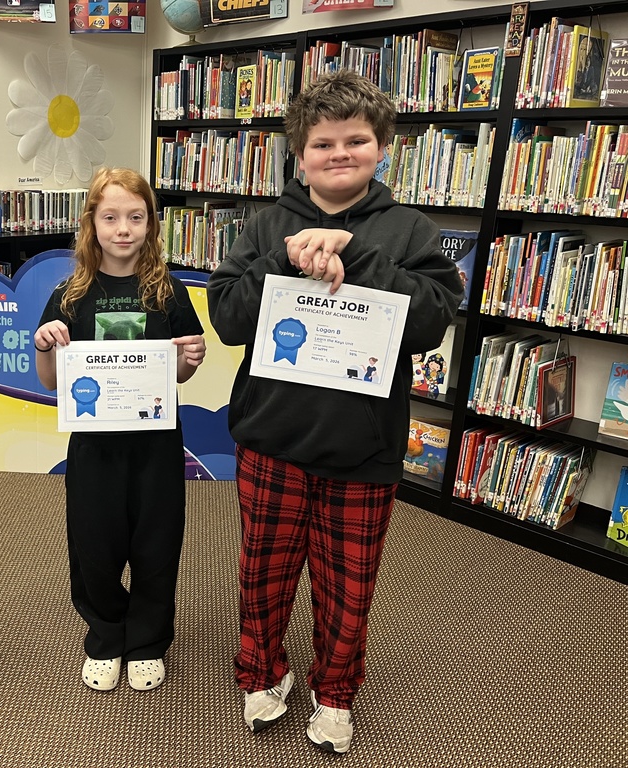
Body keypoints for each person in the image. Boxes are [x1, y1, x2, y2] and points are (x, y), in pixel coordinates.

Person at [206, 70, 463, 753]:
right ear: (300, 153)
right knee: (262, 573)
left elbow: (431, 321)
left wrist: (363, 257)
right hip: (272, 439)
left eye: (357, 140)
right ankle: (262, 674)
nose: (340, 153)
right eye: (323, 143)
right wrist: (281, 264)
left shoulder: (409, 229)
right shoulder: (267, 223)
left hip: (363, 449)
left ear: (382, 147)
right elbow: (226, 318)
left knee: (349, 588)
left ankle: (336, 693)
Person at [34, 167, 207, 693]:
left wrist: (191, 358)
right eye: (110, 218)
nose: (123, 229)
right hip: (94, 445)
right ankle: (107, 633)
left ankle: (148, 640)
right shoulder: (70, 294)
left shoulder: (168, 291)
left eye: (136, 217)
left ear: (151, 223)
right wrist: (44, 345)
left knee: (157, 543)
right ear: (92, 223)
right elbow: (51, 381)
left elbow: (181, 372)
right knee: (94, 544)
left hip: (156, 443)